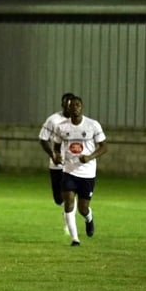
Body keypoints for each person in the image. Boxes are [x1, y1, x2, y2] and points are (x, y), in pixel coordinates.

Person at [52, 96, 107, 247]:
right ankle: (75, 239)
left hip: (87, 173)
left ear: (81, 107)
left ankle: (89, 218)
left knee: (83, 208)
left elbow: (104, 147)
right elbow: (56, 146)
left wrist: (89, 157)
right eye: (71, 105)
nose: (74, 107)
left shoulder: (92, 125)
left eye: (77, 105)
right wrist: (56, 155)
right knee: (68, 203)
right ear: (67, 108)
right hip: (69, 171)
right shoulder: (61, 127)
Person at [38, 92, 75, 233]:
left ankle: (69, 223)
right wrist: (52, 154)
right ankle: (66, 208)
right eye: (67, 104)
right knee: (59, 198)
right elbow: (43, 138)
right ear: (62, 105)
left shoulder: (80, 122)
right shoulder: (53, 120)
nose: (69, 107)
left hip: (73, 164)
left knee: (70, 193)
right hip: (56, 164)